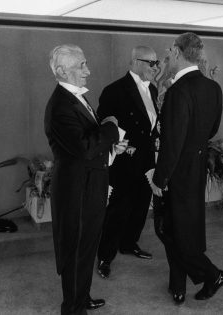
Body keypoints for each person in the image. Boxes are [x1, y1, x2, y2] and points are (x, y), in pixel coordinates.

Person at [44, 44, 125, 315]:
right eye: (81, 66)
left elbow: (87, 144)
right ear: (61, 71)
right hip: (76, 190)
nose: (88, 71)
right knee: (76, 248)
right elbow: (85, 147)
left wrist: (110, 144)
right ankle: (73, 307)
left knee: (88, 245)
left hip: (89, 184)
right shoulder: (60, 105)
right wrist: (111, 127)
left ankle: (82, 297)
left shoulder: (75, 98)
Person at [150, 32, 223, 305]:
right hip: (196, 169)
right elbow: (213, 129)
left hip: (177, 173)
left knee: (169, 230)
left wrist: (160, 180)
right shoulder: (213, 88)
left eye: (170, 50)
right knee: (182, 230)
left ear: (178, 51)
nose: (168, 54)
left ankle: (212, 274)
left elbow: (172, 142)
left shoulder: (178, 91)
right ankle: (178, 285)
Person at [96, 46, 159, 279]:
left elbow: (150, 125)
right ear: (135, 61)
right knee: (118, 209)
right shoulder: (114, 90)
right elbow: (105, 124)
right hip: (124, 160)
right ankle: (105, 255)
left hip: (146, 159)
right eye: (151, 63)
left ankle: (129, 243)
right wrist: (123, 143)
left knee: (142, 204)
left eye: (157, 63)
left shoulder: (152, 89)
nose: (156, 68)